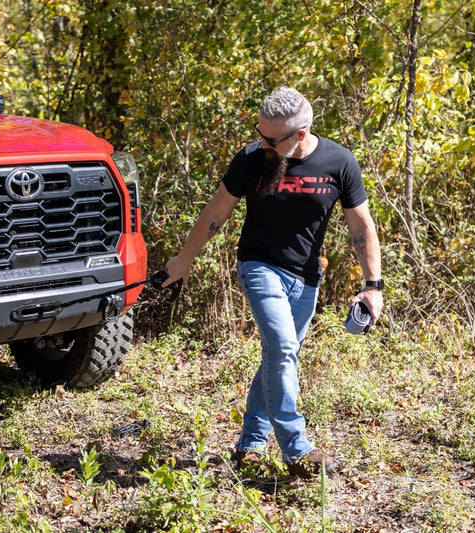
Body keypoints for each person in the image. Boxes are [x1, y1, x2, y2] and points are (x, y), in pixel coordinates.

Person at [163, 86, 383, 477]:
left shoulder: (339, 162)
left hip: (306, 278)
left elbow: (361, 226)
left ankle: (249, 445)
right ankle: (297, 449)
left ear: (300, 134)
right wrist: (183, 260)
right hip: (259, 266)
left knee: (276, 357)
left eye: (271, 139)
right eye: (260, 134)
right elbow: (215, 213)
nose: (262, 143)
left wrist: (373, 285)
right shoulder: (252, 159)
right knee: (282, 348)